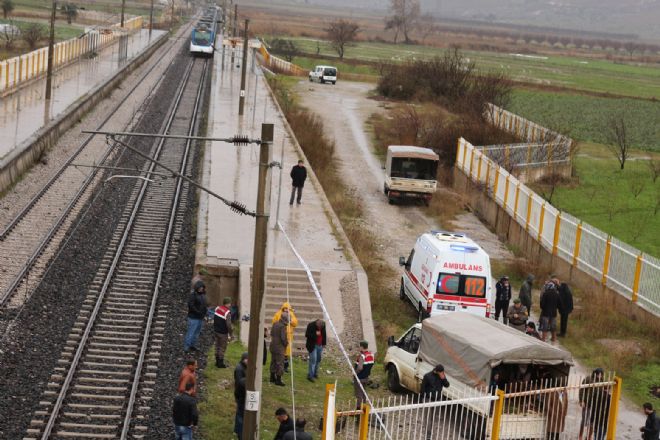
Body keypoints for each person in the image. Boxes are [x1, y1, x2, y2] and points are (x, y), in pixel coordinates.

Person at [272, 302, 298, 373]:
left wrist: (290, 320)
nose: (286, 310)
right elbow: (274, 321)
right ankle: (279, 368)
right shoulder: (278, 314)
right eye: (285, 308)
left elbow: (295, 323)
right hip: (281, 336)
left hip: (289, 337)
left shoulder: (291, 314)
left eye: (287, 308)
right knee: (281, 353)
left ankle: (285, 367)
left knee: (286, 353)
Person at [184, 280, 207, 353]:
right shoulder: (193, 295)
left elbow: (204, 305)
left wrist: (205, 312)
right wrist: (198, 312)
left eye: (202, 287)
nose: (201, 289)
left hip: (200, 317)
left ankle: (192, 345)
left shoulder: (203, 295)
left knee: (196, 333)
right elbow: (191, 305)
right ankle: (186, 347)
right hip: (193, 317)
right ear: (197, 287)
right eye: (200, 287)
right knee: (191, 332)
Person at [353, 340, 374, 409]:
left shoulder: (362, 356)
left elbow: (360, 368)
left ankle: (359, 409)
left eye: (359, 347)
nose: (359, 348)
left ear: (362, 347)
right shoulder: (371, 355)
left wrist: (355, 373)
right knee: (364, 393)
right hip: (366, 377)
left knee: (359, 394)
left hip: (359, 378)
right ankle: (364, 407)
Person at [270, 312, 289, 386]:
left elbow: (271, 333)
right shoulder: (283, 326)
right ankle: (278, 380)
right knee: (280, 363)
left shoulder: (275, 324)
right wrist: (286, 344)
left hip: (273, 345)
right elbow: (283, 338)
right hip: (279, 347)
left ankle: (272, 377)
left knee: (273, 361)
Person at [213, 297, 233, 368]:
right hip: (223, 333)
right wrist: (231, 334)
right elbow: (229, 325)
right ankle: (220, 363)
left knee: (217, 346)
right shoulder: (227, 312)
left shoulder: (217, 308)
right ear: (227, 303)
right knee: (222, 347)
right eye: (230, 303)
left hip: (216, 331)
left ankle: (216, 361)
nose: (230, 305)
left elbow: (214, 318)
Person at [234, 352, 248, 437]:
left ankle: (237, 430)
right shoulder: (239, 369)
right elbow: (240, 383)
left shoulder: (243, 367)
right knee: (240, 415)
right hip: (241, 394)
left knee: (239, 413)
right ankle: (239, 432)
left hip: (241, 394)